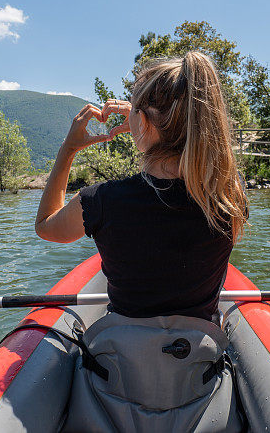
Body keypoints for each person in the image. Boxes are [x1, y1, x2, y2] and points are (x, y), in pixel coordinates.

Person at [34, 50, 248, 322]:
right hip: (199, 356)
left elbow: (45, 226)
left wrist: (68, 149)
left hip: (122, 357)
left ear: (144, 121)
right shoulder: (229, 195)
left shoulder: (103, 200)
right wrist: (143, 118)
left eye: (134, 109)